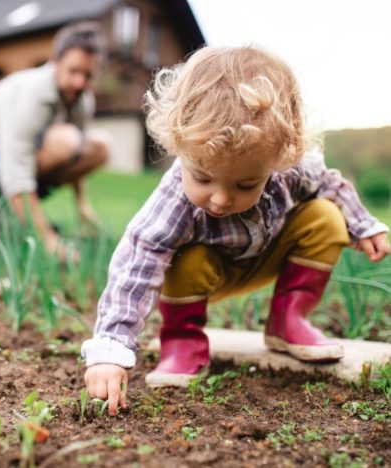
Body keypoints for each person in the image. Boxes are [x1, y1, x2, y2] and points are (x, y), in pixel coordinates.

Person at [81, 46, 390, 415]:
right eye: (203, 177)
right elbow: (137, 261)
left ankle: (288, 320)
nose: (221, 199)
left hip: (266, 255)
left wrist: (362, 225)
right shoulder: (174, 198)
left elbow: (332, 184)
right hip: (204, 275)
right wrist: (111, 349)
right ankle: (182, 340)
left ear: (277, 159)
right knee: (176, 256)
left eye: (246, 184)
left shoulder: (288, 168)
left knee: (325, 215)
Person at [0, 22, 110, 258]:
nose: (80, 82)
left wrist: (82, 205)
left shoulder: (82, 99)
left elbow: (78, 155)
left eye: (88, 75)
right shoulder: (29, 93)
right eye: (73, 71)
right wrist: (48, 239)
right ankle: (2, 211)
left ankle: (14, 214)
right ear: (55, 63)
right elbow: (16, 166)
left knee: (100, 147)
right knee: (66, 140)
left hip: (24, 157)